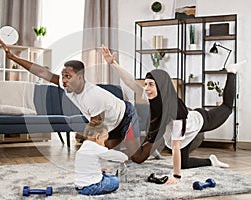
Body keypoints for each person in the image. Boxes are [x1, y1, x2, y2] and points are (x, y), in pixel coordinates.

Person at [101, 45, 243, 184]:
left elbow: (175, 146)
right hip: (176, 132)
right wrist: (113, 63)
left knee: (227, 108)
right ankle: (212, 161)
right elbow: (131, 82)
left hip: (199, 122)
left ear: (161, 86)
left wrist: (176, 176)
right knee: (164, 161)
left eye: (151, 85)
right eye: (146, 84)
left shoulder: (175, 113)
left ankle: (231, 72)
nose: (147, 88)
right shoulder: (154, 96)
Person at [0, 38, 159, 161]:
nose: (64, 81)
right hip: (111, 122)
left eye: (68, 76)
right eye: (63, 77)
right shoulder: (68, 84)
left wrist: (85, 153)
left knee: (137, 157)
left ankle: (154, 141)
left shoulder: (93, 96)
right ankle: (131, 141)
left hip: (125, 116)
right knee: (106, 155)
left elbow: (96, 130)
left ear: (80, 77)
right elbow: (41, 72)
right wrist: (12, 57)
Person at [74, 119, 128, 195]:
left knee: (105, 175)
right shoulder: (96, 147)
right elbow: (114, 155)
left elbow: (85, 167)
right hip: (92, 187)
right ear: (98, 137)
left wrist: (98, 170)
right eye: (104, 140)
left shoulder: (82, 148)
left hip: (79, 187)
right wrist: (125, 157)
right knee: (114, 181)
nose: (104, 143)